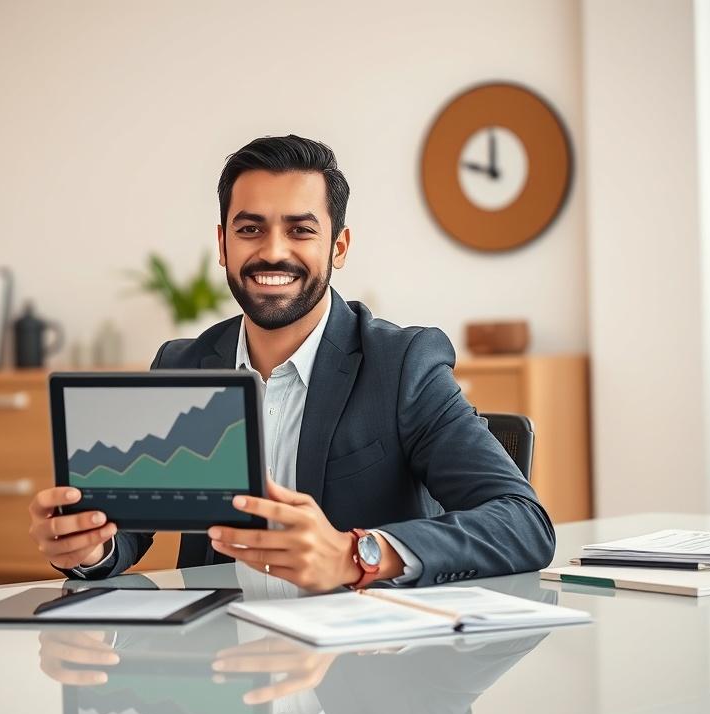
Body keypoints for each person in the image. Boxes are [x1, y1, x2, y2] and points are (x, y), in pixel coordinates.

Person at [28, 135, 555, 591]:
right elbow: (126, 531)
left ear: (339, 246)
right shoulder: (182, 364)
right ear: (223, 244)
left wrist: (356, 554)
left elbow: (524, 524)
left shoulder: (402, 366)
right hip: (225, 680)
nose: (272, 252)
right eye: (250, 229)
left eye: (301, 230)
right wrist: (86, 548)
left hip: (367, 676)